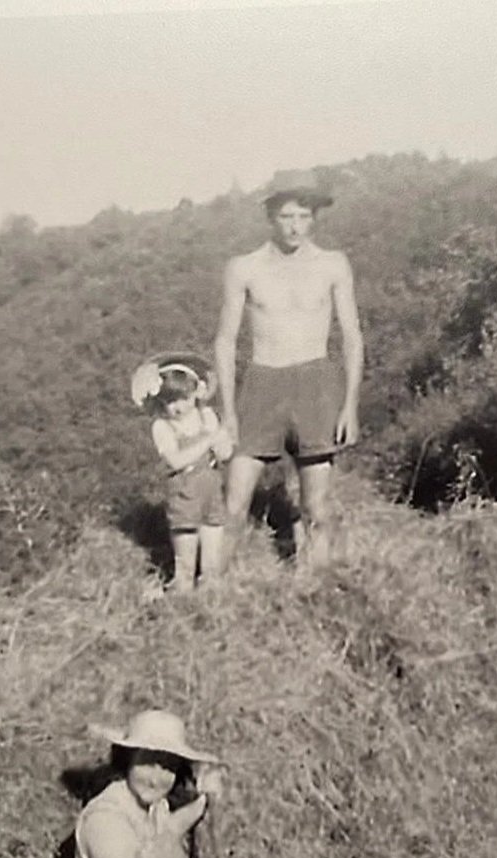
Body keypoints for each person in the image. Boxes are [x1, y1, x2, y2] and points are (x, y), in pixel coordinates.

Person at [213, 169, 364, 569]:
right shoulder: (243, 267)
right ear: (270, 217)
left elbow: (352, 336)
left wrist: (350, 405)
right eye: (286, 217)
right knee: (233, 502)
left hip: (315, 384)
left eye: (303, 216)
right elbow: (225, 341)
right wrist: (228, 413)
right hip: (262, 381)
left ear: (314, 217)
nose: (295, 227)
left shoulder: (333, 264)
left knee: (316, 504)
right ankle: (209, 594)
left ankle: (318, 587)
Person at [75, 709, 224, 858]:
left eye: (168, 767)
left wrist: (204, 799)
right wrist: (174, 829)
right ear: (127, 759)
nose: (155, 780)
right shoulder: (104, 820)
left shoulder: (158, 808)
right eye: (146, 763)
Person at [131, 353, 234, 592]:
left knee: (212, 566)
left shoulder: (206, 416)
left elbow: (225, 454)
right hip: (184, 499)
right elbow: (176, 461)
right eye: (170, 401)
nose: (177, 407)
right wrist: (209, 439)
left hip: (212, 494)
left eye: (183, 399)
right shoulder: (162, 427)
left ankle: (211, 607)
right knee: (185, 566)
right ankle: (182, 600)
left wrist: (222, 444)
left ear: (195, 393)